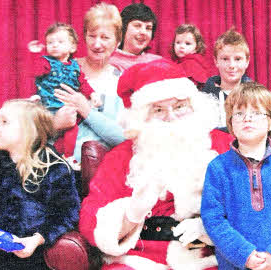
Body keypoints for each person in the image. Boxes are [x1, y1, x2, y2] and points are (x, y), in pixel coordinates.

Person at [78, 59, 235, 270]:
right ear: (142, 117)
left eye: (179, 106)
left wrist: (213, 229)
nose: (171, 117)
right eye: (159, 110)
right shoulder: (122, 156)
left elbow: (252, 204)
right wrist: (130, 214)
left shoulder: (223, 146)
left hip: (205, 258)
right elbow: (91, 218)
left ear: (195, 107)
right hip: (139, 260)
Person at [0, 99, 80, 269]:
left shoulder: (55, 169)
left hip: (33, 260)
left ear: (28, 130)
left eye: (4, 122)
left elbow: (67, 214)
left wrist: (37, 239)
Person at [201, 82, 271, 270]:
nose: (247, 119)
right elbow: (214, 219)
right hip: (235, 265)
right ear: (230, 122)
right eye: (239, 114)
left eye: (256, 113)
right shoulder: (217, 167)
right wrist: (245, 256)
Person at [53, 3, 126, 163]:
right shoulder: (61, 70)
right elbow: (33, 127)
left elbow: (123, 138)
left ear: (117, 42)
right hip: (55, 168)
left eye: (105, 37)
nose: (97, 44)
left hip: (100, 172)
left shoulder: (122, 80)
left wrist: (86, 110)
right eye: (92, 36)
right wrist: (54, 124)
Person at [28, 22, 94, 113]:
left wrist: (92, 94)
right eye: (50, 42)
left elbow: (83, 83)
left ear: (73, 47)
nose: (54, 45)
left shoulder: (75, 66)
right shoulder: (45, 62)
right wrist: (36, 56)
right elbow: (34, 72)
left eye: (60, 42)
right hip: (48, 105)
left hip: (68, 106)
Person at [201, 28, 252, 130]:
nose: (232, 65)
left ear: (247, 61)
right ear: (216, 61)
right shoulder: (204, 97)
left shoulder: (257, 96)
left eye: (238, 59)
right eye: (225, 59)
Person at [109, 3, 162, 71]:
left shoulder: (158, 62)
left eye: (148, 28)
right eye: (137, 25)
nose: (143, 32)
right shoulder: (107, 62)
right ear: (123, 28)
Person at [169, 23, 214, 89]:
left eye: (187, 43)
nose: (181, 46)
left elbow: (190, 89)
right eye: (178, 42)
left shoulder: (191, 64)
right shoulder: (179, 62)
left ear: (196, 48)